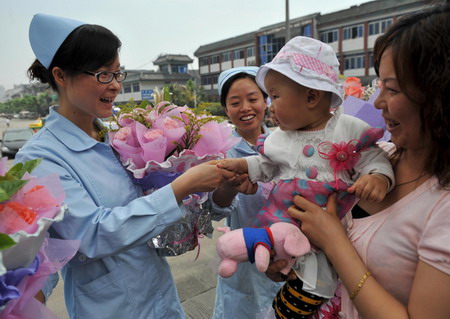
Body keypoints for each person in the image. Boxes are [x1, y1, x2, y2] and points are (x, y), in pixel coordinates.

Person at [16, 13, 236, 319]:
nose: (116, 85)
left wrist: (213, 185)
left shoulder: (119, 139)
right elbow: (90, 233)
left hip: (163, 300)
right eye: (104, 75)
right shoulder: (40, 157)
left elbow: (150, 212)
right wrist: (180, 187)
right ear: (61, 76)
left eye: (119, 74)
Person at [282, 4, 450, 318]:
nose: (377, 101)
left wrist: (334, 241)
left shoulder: (443, 206)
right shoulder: (377, 157)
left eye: (393, 88)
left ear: (439, 98)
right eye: (379, 84)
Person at [218, 36, 394, 318]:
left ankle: (295, 305)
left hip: (330, 223)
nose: (270, 105)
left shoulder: (346, 128)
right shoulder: (279, 138)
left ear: (312, 97)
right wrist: (242, 165)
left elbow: (373, 156)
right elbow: (265, 165)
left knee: (317, 277)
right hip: (286, 218)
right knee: (285, 260)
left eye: (275, 96)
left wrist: (378, 177)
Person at [209, 66, 284, 318]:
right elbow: (215, 209)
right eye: (235, 102)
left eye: (253, 99)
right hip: (244, 258)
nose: (245, 108)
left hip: (285, 251)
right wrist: (228, 188)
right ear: (226, 109)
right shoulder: (221, 151)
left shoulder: (285, 143)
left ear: (266, 101)